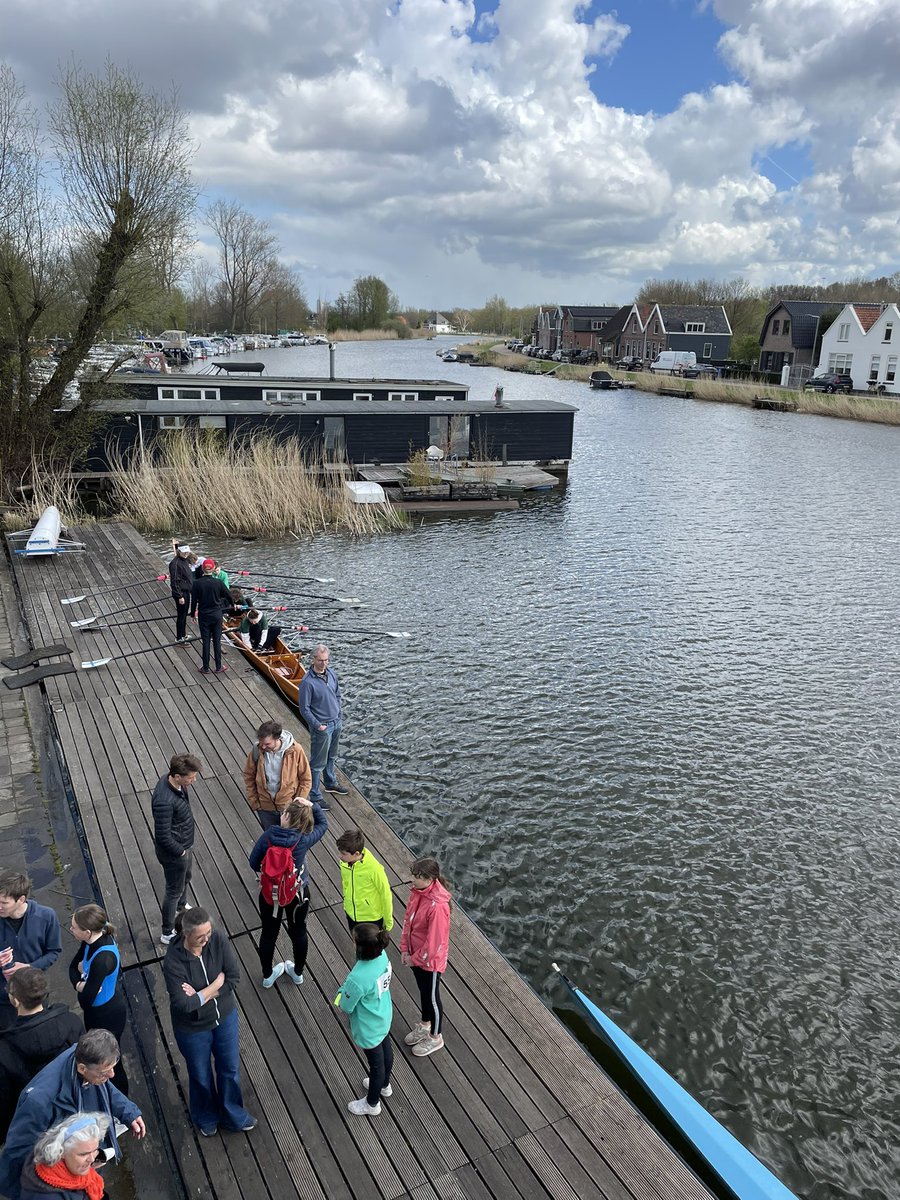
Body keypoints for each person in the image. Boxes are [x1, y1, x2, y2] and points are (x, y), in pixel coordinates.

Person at [0, 1030, 144, 1200]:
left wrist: (128, 1111)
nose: (112, 1075)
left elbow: (105, 1087)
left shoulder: (85, 1062)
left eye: (112, 1068)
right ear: (82, 1068)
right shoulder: (38, 1102)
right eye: (105, 1072)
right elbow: (19, 1150)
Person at [162, 907, 256, 1138]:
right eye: (200, 937)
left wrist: (199, 995)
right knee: (200, 1074)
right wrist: (214, 987)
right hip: (192, 1029)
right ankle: (205, 1115)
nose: (206, 940)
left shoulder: (218, 940)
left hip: (224, 1018)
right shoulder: (173, 961)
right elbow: (183, 1005)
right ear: (186, 935)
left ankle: (233, 1114)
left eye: (209, 933)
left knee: (230, 1069)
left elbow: (233, 977)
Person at [247, 799, 327, 987]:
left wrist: (271, 872)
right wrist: (312, 804)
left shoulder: (269, 836)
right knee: (299, 933)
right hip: (297, 893)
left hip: (270, 894)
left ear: (287, 817)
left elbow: (253, 862)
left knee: (268, 934)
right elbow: (323, 824)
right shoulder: (304, 839)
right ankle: (298, 973)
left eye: (284, 812)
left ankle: (267, 976)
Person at [0, 970, 83, 1141]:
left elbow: (4, 1100)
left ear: (15, 1000)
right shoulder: (71, 1021)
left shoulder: (4, 1051)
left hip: (36, 1121)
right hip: (72, 1108)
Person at [66, 907, 127, 1095]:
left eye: (74, 927)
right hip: (97, 1010)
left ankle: (122, 1096)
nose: (70, 929)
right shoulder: (89, 941)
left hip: (106, 1014)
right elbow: (71, 968)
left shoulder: (103, 958)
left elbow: (85, 1000)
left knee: (110, 1062)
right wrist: (81, 983)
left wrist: (82, 980)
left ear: (87, 931)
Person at [336, 923, 393, 1117]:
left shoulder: (358, 978)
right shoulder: (383, 956)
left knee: (376, 1065)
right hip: (383, 1014)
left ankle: (372, 1103)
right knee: (386, 1050)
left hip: (369, 1026)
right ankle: (385, 1084)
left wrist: (342, 993)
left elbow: (346, 1005)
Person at [399, 857, 452, 1059]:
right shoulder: (418, 893)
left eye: (417, 877)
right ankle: (425, 1024)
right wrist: (405, 949)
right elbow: (408, 921)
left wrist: (415, 959)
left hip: (429, 962)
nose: (412, 879)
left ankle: (435, 1036)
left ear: (429, 879)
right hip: (415, 955)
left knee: (432, 997)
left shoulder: (438, 906)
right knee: (423, 992)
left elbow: (434, 943)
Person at [0, 870, 62, 1033]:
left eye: (3, 903)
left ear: (21, 899)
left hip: (34, 994)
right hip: (3, 999)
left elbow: (53, 952)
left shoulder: (46, 917)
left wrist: (29, 966)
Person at [151, 754, 201, 946]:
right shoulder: (164, 800)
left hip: (184, 846)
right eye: (190, 777)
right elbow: (162, 836)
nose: (194, 780)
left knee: (186, 877)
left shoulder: (177, 784)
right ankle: (166, 932)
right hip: (174, 853)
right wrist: (180, 852)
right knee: (173, 890)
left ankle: (182, 905)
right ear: (177, 776)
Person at [296, 644, 349, 801]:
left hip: (336, 722)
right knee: (317, 762)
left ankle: (330, 783)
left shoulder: (331, 673)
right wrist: (318, 725)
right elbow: (304, 709)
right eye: (320, 660)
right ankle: (314, 794)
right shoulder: (307, 682)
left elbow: (337, 694)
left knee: (332, 756)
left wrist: (339, 713)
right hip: (322, 726)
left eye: (326, 660)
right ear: (313, 660)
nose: (324, 663)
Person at [18, 1112, 110, 1200]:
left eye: (94, 1150)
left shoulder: (73, 1169)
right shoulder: (46, 1196)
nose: (92, 1159)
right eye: (83, 1154)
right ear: (61, 1152)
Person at [242, 720, 312, 831]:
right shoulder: (257, 750)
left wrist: (298, 803)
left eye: (267, 744)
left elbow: (306, 779)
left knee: (290, 839)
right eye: (261, 742)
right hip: (265, 808)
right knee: (271, 838)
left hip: (289, 808)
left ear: (277, 738)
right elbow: (248, 775)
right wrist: (254, 801)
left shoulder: (296, 750)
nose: (263, 747)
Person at [336, 829, 394, 933]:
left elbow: (386, 894)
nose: (340, 856)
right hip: (351, 914)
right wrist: (346, 901)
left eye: (343, 854)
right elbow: (346, 883)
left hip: (370, 919)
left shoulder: (375, 869)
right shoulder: (344, 862)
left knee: (371, 947)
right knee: (356, 942)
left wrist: (388, 922)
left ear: (356, 853)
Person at [189, 560, 233, 674]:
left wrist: (193, 614)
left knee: (206, 640)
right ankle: (219, 667)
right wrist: (233, 605)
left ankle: (205, 667)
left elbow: (193, 601)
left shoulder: (197, 583)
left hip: (204, 615)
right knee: (217, 641)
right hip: (217, 614)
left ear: (202, 569)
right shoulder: (218, 582)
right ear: (213, 569)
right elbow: (229, 596)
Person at [168, 542, 194, 643]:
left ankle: (184, 634)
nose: (186, 554)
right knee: (181, 615)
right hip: (181, 593)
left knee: (184, 614)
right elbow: (174, 582)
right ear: (179, 552)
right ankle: (179, 638)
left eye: (187, 552)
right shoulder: (175, 564)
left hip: (186, 591)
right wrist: (179, 596)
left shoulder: (185, 560)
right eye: (184, 552)